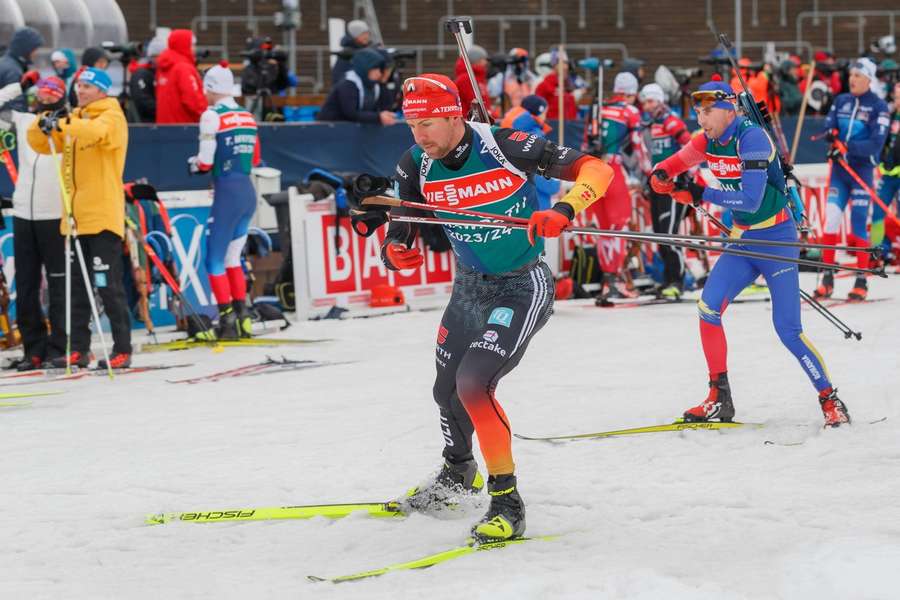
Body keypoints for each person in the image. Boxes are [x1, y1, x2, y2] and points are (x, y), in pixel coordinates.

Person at [349, 73, 614, 542]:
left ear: (455, 115)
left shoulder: (505, 145)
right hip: (469, 288)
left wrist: (565, 209)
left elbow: (598, 169)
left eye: (428, 122)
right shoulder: (416, 162)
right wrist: (394, 248)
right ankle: (458, 473)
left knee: (475, 385)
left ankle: (507, 503)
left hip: (520, 286)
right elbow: (402, 218)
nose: (420, 135)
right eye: (412, 125)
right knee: (446, 392)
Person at [650, 81, 849, 428]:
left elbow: (751, 200)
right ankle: (719, 396)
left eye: (707, 110)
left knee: (787, 329)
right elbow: (675, 163)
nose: (701, 117)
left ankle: (830, 398)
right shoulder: (707, 140)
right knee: (708, 308)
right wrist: (662, 176)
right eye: (697, 111)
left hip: (776, 239)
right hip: (743, 241)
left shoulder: (751, 138)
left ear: (729, 109)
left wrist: (699, 191)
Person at [27, 68, 132, 369]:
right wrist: (43, 120)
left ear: (101, 90)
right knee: (77, 288)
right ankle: (80, 349)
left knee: (107, 285)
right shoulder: (75, 119)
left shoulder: (111, 116)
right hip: (74, 219)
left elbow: (96, 133)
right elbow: (38, 142)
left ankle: (122, 348)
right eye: (79, 86)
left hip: (101, 216)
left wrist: (62, 121)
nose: (81, 91)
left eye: (87, 86)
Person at [187, 63, 260, 339]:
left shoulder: (210, 115)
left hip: (227, 192)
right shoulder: (247, 116)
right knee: (233, 258)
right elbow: (254, 158)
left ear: (209, 88)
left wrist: (194, 164)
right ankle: (243, 319)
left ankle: (227, 322)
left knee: (214, 260)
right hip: (246, 191)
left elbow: (205, 161)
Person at [0, 74, 67, 370]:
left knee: (58, 285)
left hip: (54, 214)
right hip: (25, 213)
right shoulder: (24, 120)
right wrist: (20, 85)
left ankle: (60, 347)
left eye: (53, 94)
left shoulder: (70, 124)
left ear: (62, 98)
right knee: (26, 286)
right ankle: (33, 349)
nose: (46, 97)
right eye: (42, 93)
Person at [815, 58, 890, 301]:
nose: (853, 79)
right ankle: (826, 278)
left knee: (859, 223)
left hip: (862, 173)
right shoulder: (842, 100)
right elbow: (829, 126)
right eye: (851, 75)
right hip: (839, 173)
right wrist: (831, 137)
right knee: (831, 221)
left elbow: (875, 144)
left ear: (869, 79)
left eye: (858, 75)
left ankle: (861, 280)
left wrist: (846, 148)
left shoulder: (878, 107)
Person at [592, 71, 650, 300]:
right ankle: (614, 282)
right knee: (618, 226)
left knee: (603, 229)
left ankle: (607, 281)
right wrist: (649, 172)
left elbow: (587, 141)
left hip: (591, 170)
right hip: (613, 171)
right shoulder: (630, 111)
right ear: (632, 92)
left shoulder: (599, 108)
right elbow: (639, 147)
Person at [640, 83, 693, 298]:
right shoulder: (649, 124)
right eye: (644, 101)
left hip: (673, 182)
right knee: (660, 233)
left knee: (669, 233)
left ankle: (677, 282)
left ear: (660, 100)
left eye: (651, 101)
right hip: (656, 182)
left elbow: (690, 146)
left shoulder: (670, 121)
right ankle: (669, 280)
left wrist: (684, 175)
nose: (647, 106)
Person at [500, 95, 559, 209]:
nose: (545, 117)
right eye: (544, 112)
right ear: (539, 113)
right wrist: (555, 186)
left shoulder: (512, 134)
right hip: (537, 202)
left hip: (518, 201)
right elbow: (537, 171)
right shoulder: (534, 138)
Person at [317, 48, 396, 125]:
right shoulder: (348, 84)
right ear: (365, 68)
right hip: (327, 129)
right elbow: (351, 113)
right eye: (375, 68)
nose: (379, 73)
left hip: (348, 131)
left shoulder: (376, 85)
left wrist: (385, 115)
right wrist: (378, 117)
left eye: (379, 69)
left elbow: (385, 107)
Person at [872, 81, 900, 259]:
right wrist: (880, 160)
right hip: (888, 173)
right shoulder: (889, 116)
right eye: (896, 97)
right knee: (877, 211)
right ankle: (879, 251)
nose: (898, 100)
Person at [155, 29, 207, 124]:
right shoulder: (183, 68)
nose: (194, 49)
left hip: (164, 126)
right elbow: (194, 102)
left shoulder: (164, 67)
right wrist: (207, 112)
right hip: (183, 127)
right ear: (184, 45)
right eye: (192, 45)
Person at [0, 27, 44, 113]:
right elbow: (15, 108)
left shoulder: (7, 63)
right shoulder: (13, 71)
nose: (36, 53)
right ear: (26, 48)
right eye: (34, 49)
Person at [129, 36, 167, 123]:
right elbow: (142, 101)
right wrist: (164, 109)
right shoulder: (142, 74)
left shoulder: (158, 73)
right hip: (147, 123)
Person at [534, 48, 578, 120]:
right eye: (562, 63)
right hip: (552, 128)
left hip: (569, 127)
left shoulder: (568, 85)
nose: (565, 67)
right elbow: (537, 112)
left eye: (566, 63)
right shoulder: (543, 85)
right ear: (554, 66)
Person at [454, 45, 491, 118]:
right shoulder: (466, 78)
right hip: (472, 122)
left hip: (480, 119)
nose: (486, 62)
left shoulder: (476, 77)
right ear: (476, 60)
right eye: (483, 59)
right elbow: (474, 103)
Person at [331, 20, 373, 84]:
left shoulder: (368, 50)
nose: (367, 36)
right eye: (363, 33)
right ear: (355, 35)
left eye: (367, 33)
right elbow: (338, 76)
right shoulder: (347, 54)